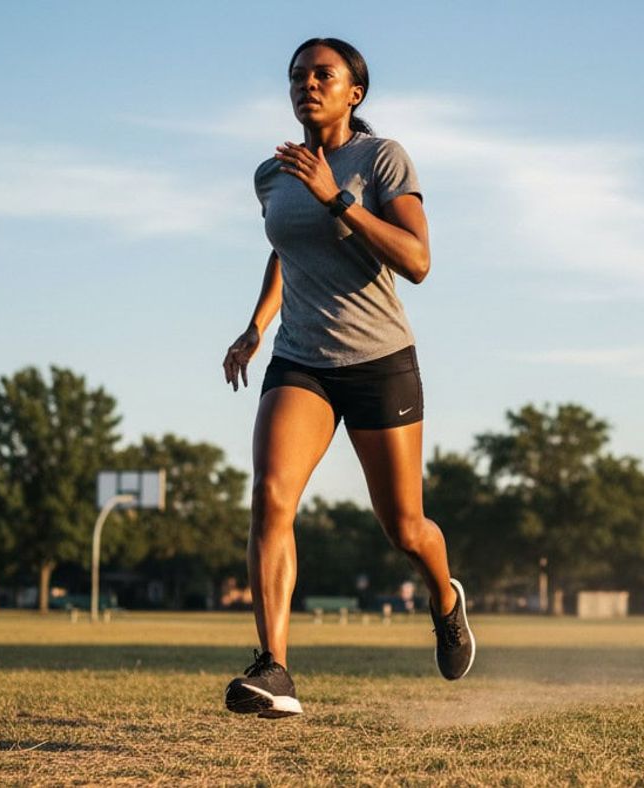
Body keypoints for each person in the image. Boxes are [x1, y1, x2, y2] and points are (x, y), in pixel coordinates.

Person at [221, 37, 475, 719]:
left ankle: (446, 602)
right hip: (301, 360)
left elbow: (417, 260)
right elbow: (287, 253)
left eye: (322, 74)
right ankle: (274, 669)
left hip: (379, 362)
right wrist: (257, 327)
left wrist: (337, 199)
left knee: (405, 527)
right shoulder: (272, 175)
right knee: (271, 495)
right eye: (297, 74)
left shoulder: (382, 158)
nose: (308, 82)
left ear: (353, 92)